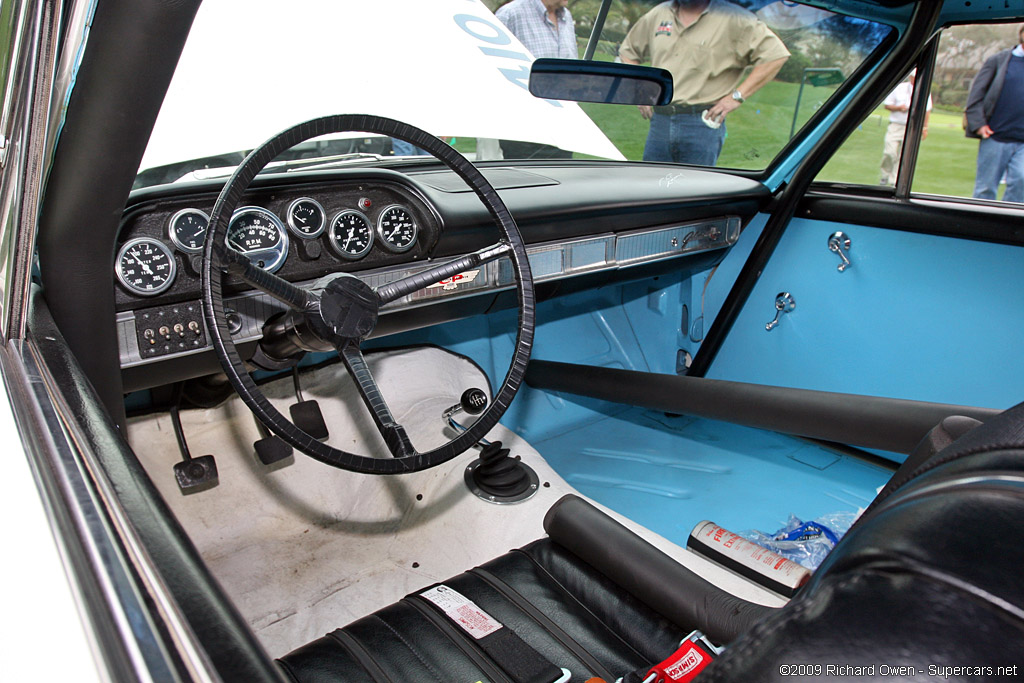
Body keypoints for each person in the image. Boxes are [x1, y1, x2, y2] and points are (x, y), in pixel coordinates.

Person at [619, 0, 789, 166]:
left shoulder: (735, 18)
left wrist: (736, 97)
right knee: (651, 188)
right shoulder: (659, 13)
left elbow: (776, 55)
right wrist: (640, 88)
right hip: (660, 121)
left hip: (702, 124)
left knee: (695, 190)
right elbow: (628, 52)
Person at [495, 0, 576, 159]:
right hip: (524, 131)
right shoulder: (510, 15)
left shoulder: (566, 16)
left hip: (563, 128)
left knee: (562, 181)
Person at [964, 24, 1024, 203]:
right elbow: (976, 96)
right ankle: (980, 228)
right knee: (985, 189)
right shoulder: (998, 60)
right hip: (994, 136)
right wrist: (979, 125)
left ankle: (1007, 228)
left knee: (1021, 181)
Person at [879, 68, 931, 185]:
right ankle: (884, 175)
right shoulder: (899, 87)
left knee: (902, 156)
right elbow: (887, 105)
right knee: (890, 152)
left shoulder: (924, 90)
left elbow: (927, 110)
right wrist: (899, 108)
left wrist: (925, 127)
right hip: (896, 125)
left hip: (912, 126)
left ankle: (894, 181)